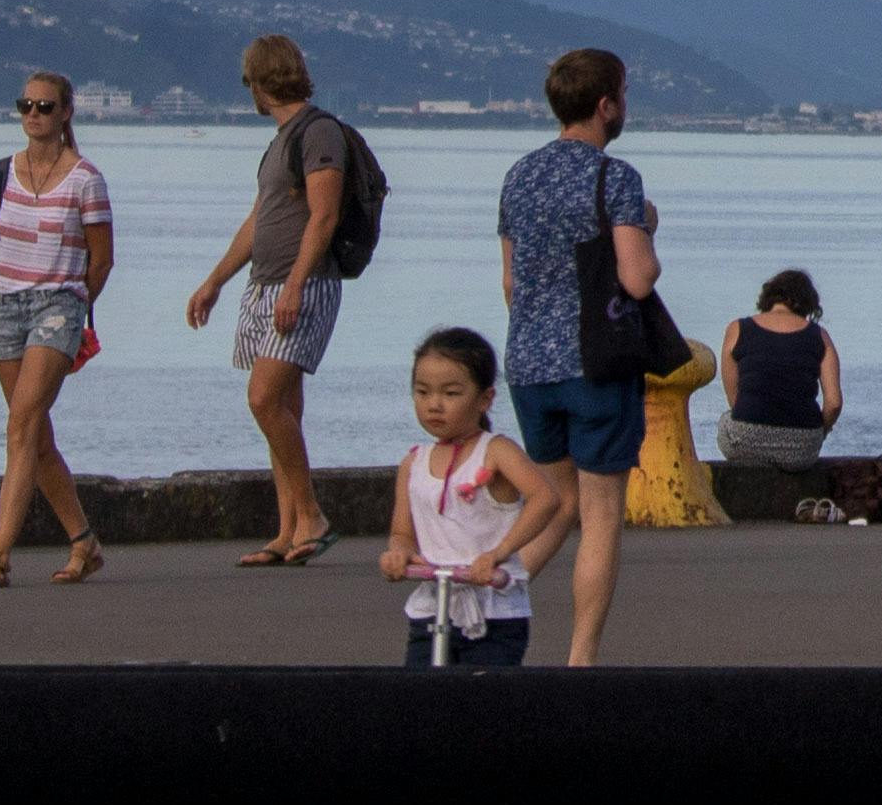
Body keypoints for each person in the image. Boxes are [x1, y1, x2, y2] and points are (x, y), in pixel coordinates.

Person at [495, 46, 661, 665]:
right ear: (604, 104)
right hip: (595, 363)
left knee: (553, 506)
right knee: (599, 513)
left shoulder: (519, 175)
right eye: (623, 95)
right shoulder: (613, 177)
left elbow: (511, 285)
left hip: (529, 366)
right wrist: (645, 226)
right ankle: (581, 659)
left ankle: (483, 595)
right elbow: (637, 279)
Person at [181, 33, 361, 566]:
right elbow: (260, 220)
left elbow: (324, 216)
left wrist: (297, 284)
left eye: (249, 83)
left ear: (260, 82)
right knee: (281, 409)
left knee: (263, 399)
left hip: (301, 285)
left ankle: (311, 514)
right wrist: (215, 280)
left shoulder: (319, 131)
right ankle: (288, 532)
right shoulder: (282, 139)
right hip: (266, 283)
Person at [0, 70, 111, 589]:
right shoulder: (1, 174)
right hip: (5, 304)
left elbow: (102, 259)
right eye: (26, 105)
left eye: (45, 106)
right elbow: (1, 239)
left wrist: (74, 310)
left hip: (59, 304)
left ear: (66, 113)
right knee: (36, 434)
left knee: (21, 426)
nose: (34, 114)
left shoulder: (85, 179)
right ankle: (83, 542)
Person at [386, 326, 576, 668]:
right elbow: (403, 532)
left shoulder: (496, 451)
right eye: (423, 392)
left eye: (451, 393)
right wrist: (398, 553)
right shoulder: (413, 462)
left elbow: (546, 498)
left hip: (494, 614)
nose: (435, 405)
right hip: (431, 609)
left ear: (484, 399)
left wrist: (498, 554)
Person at [718, 270, 842, 473]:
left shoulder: (737, 328)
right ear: (807, 303)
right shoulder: (820, 336)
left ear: (768, 298)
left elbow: (735, 401)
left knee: (725, 419)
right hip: (800, 450)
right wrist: (821, 432)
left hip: (746, 443)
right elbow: (834, 403)